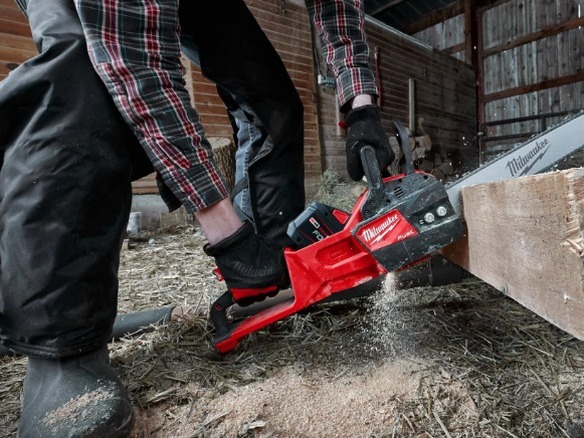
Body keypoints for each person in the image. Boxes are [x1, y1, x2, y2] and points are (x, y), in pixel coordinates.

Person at [0, 0, 393, 436]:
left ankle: (274, 273)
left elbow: (338, 10)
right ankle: (61, 346)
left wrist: (361, 106)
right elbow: (138, 69)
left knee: (271, 98)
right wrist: (228, 237)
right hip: (107, 13)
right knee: (79, 80)